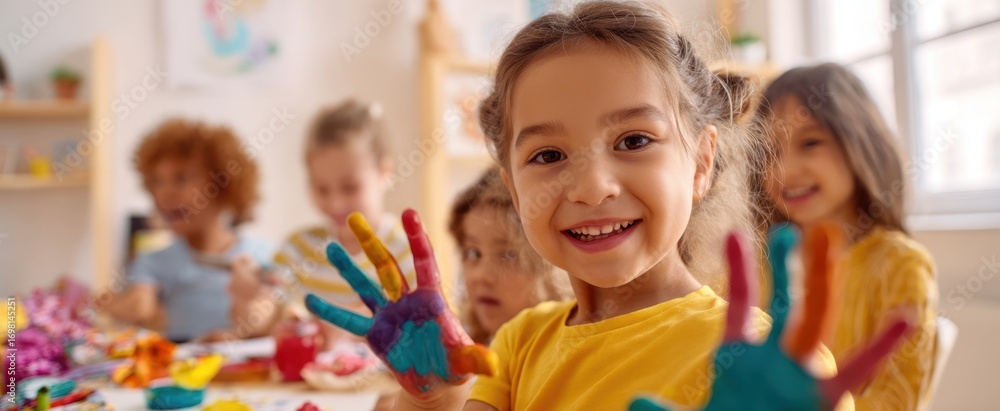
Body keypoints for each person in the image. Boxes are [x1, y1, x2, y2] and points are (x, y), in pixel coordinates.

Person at [760, 62, 939, 410]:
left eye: (810, 143)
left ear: (860, 143)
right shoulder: (762, 261)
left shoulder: (901, 266)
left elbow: (898, 399)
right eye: (770, 152)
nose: (786, 170)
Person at [100, 119, 271, 343]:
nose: (164, 193)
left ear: (224, 186)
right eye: (156, 182)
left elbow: (265, 319)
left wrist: (237, 325)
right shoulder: (154, 261)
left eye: (180, 178)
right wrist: (105, 302)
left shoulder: (263, 255)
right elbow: (141, 306)